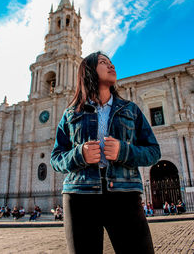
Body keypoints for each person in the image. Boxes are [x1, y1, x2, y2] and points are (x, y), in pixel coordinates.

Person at [51, 51, 161, 254]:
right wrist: (79, 154)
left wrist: (124, 151)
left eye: (111, 63)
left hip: (124, 196)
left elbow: (153, 152)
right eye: (103, 63)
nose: (112, 66)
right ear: (90, 71)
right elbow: (56, 158)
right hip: (79, 197)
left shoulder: (131, 110)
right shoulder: (70, 114)